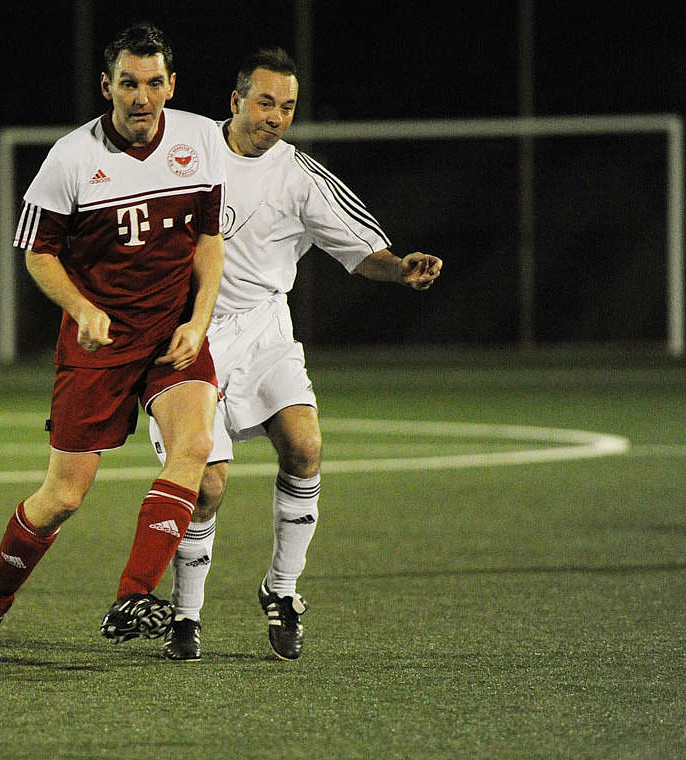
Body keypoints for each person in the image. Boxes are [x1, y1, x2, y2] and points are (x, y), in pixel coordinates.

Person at [0, 22, 229, 663]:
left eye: (155, 83)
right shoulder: (70, 158)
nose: (142, 96)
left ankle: (133, 595)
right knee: (61, 498)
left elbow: (210, 241)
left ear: (171, 86)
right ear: (108, 86)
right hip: (97, 346)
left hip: (171, 338)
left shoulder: (202, 138)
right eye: (129, 83)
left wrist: (199, 321)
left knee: (196, 447)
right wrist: (82, 307)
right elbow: (38, 253)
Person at [147, 48, 443, 662]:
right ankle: (186, 614)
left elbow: (362, 251)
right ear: (235, 102)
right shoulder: (185, 150)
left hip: (264, 331)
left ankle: (282, 590)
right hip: (186, 335)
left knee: (306, 447)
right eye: (264, 102)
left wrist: (400, 268)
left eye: (287, 106)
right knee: (206, 485)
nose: (276, 116)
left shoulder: (301, 176)